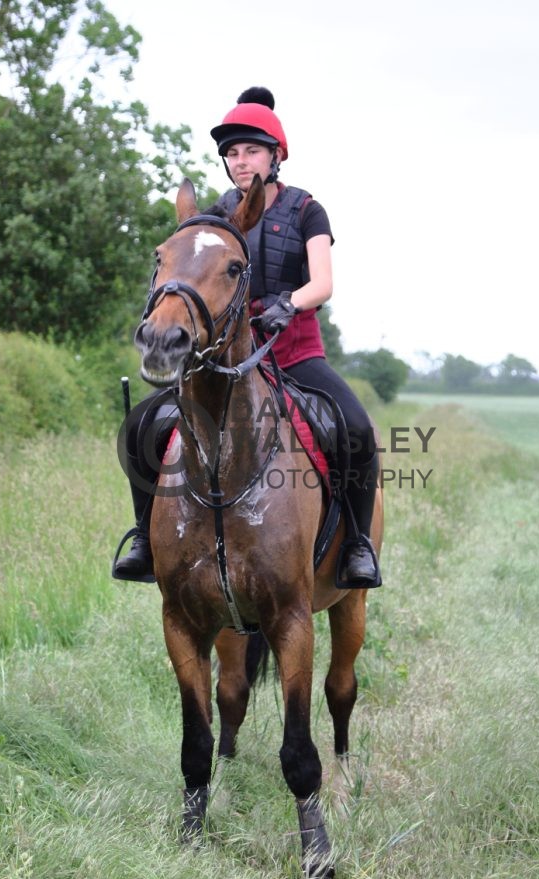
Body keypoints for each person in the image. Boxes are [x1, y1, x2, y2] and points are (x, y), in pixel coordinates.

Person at [113, 86, 380, 588]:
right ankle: (145, 538)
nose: (240, 161)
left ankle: (357, 545)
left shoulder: (307, 210)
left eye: (251, 151)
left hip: (295, 351)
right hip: (226, 355)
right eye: (232, 153)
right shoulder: (216, 217)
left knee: (357, 429)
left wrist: (288, 303)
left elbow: (323, 282)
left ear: (276, 156)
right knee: (140, 427)